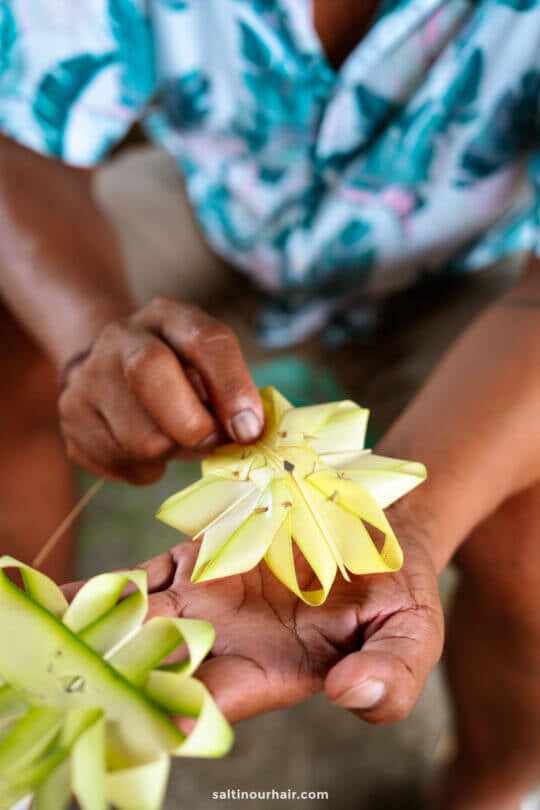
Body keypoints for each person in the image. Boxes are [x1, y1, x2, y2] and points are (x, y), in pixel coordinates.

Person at [1, 1, 539, 807]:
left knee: (528, 515)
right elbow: (21, 136)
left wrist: (414, 523)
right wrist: (90, 335)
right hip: (220, 204)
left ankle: (495, 780)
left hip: (475, 259)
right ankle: (30, 676)